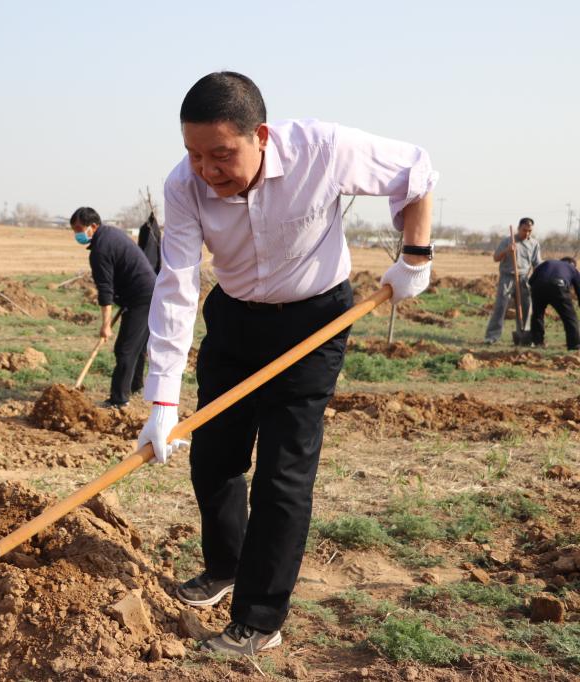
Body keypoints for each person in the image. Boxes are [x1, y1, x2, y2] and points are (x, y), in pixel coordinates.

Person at [136, 72, 436, 656]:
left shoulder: (320, 149)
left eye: (222, 154)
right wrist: (162, 399)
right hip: (236, 320)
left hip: (313, 323)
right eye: (195, 154)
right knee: (214, 457)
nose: (207, 170)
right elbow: (176, 285)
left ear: (261, 136)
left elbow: (416, 169)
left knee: (283, 473)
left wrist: (416, 256)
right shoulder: (183, 184)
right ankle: (225, 567)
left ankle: (259, 619)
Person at [70, 207, 156, 407]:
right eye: (74, 230)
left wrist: (106, 325)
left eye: (79, 229)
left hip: (141, 297)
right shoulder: (110, 234)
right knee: (136, 346)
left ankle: (119, 399)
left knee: (125, 349)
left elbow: (105, 290)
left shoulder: (100, 249)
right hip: (148, 292)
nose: (76, 234)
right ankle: (135, 386)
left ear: (93, 226)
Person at [484, 218, 541, 344]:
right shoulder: (508, 241)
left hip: (524, 278)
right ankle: (492, 336)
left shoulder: (534, 244)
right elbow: (496, 258)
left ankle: (524, 336)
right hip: (507, 277)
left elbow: (537, 264)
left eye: (529, 231)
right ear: (519, 228)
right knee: (500, 306)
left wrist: (538, 279)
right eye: (524, 230)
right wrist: (507, 250)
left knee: (526, 307)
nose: (527, 233)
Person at [528, 257, 580, 350]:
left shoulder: (547, 263)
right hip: (558, 286)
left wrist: (537, 291)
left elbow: (530, 281)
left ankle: (537, 342)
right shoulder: (571, 268)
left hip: (538, 286)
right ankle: (574, 344)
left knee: (537, 315)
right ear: (572, 264)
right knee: (569, 317)